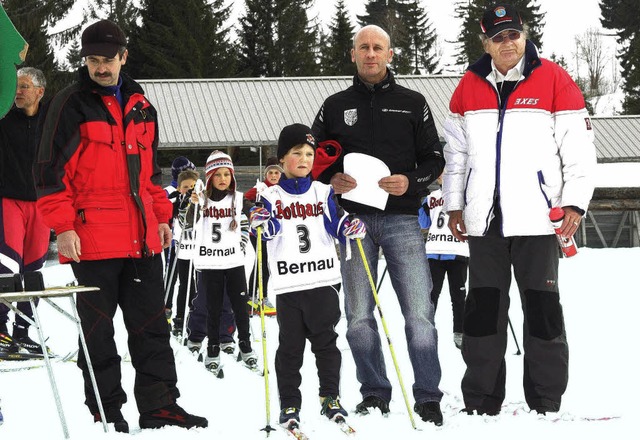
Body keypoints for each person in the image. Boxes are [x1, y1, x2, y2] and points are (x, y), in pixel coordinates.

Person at [33, 19, 207, 432]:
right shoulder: (69, 104)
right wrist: (64, 227)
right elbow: (47, 175)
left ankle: (160, 406)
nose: (101, 68)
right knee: (98, 335)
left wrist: (162, 218)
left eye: (108, 60)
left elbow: (151, 174)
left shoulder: (142, 104)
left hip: (142, 241)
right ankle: (106, 411)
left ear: (123, 57)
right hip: (90, 242)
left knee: (151, 329)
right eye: (93, 60)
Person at [442, 4, 596, 416]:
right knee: (483, 311)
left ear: (523, 35)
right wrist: (455, 204)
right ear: (485, 42)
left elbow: (579, 152)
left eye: (512, 34)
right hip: (485, 222)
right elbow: (455, 156)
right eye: (497, 36)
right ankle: (481, 398)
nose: (506, 43)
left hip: (539, 220)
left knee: (543, 311)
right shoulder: (468, 85)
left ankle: (545, 398)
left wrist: (575, 203)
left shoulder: (554, 78)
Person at [311, 25, 445, 425]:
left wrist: (411, 181)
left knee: (420, 312)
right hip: (352, 222)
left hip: (402, 218)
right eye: (363, 48)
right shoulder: (334, 105)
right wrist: (330, 177)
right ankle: (373, 392)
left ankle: (427, 396)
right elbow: (312, 156)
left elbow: (435, 160)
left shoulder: (413, 102)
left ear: (390, 54)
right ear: (353, 54)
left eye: (378, 48)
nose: (371, 54)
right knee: (357, 314)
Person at [249, 124, 365, 427]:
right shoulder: (270, 195)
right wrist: (260, 221)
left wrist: (351, 227)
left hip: (323, 281)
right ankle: (289, 404)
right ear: (282, 158)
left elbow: (335, 225)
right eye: (296, 153)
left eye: (309, 154)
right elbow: (269, 231)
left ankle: (330, 396)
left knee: (326, 344)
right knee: (290, 348)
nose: (304, 159)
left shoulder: (323, 191)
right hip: (289, 285)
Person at [186, 150, 257, 373]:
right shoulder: (202, 199)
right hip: (210, 263)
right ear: (210, 177)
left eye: (227, 174)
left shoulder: (237, 198)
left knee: (240, 306)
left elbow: (251, 212)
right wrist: (192, 204)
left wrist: (258, 213)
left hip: (233, 261)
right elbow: (187, 223)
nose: (223, 179)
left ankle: (245, 344)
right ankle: (213, 347)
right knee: (213, 308)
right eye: (218, 175)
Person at [0, 67, 51, 354]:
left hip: (43, 204)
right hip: (9, 200)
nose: (18, 92)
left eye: (24, 87)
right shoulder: (4, 119)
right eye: (15, 86)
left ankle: (23, 331)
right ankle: (0, 329)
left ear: (40, 91)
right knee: (6, 268)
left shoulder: (52, 121)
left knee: (34, 271)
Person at [418, 174, 469, 350]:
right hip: (434, 251)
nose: (444, 177)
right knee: (431, 295)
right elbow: (423, 223)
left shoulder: (465, 194)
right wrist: (420, 201)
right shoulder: (432, 197)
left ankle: (460, 332)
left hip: (458, 252)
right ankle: (427, 332)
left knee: (458, 296)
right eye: (441, 174)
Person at [243, 156, 283, 316]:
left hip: (273, 232)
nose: (273, 176)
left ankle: (256, 296)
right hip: (258, 231)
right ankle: (258, 297)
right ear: (266, 174)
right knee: (262, 261)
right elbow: (244, 199)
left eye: (276, 173)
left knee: (265, 262)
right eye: (271, 173)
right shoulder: (261, 188)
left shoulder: (281, 188)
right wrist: (254, 209)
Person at [163, 156, 197, 320]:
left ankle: (190, 308)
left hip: (189, 240)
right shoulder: (170, 191)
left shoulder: (195, 191)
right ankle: (166, 304)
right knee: (171, 271)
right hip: (173, 237)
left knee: (186, 276)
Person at [169, 169, 200, 336]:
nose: (189, 189)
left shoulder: (201, 201)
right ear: (179, 188)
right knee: (185, 285)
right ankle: (180, 319)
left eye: (193, 186)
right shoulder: (176, 202)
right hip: (183, 250)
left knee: (199, 285)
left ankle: (197, 316)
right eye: (186, 187)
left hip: (198, 249)